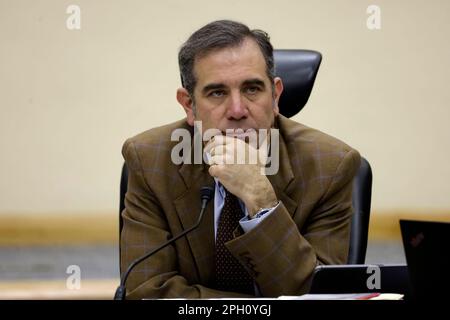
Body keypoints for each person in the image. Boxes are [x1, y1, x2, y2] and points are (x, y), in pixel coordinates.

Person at [120, 20, 361, 299]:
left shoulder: (330, 166)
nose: (237, 110)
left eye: (252, 89)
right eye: (217, 92)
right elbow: (145, 292)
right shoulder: (150, 159)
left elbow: (317, 295)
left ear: (275, 96)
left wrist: (262, 201)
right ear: (189, 105)